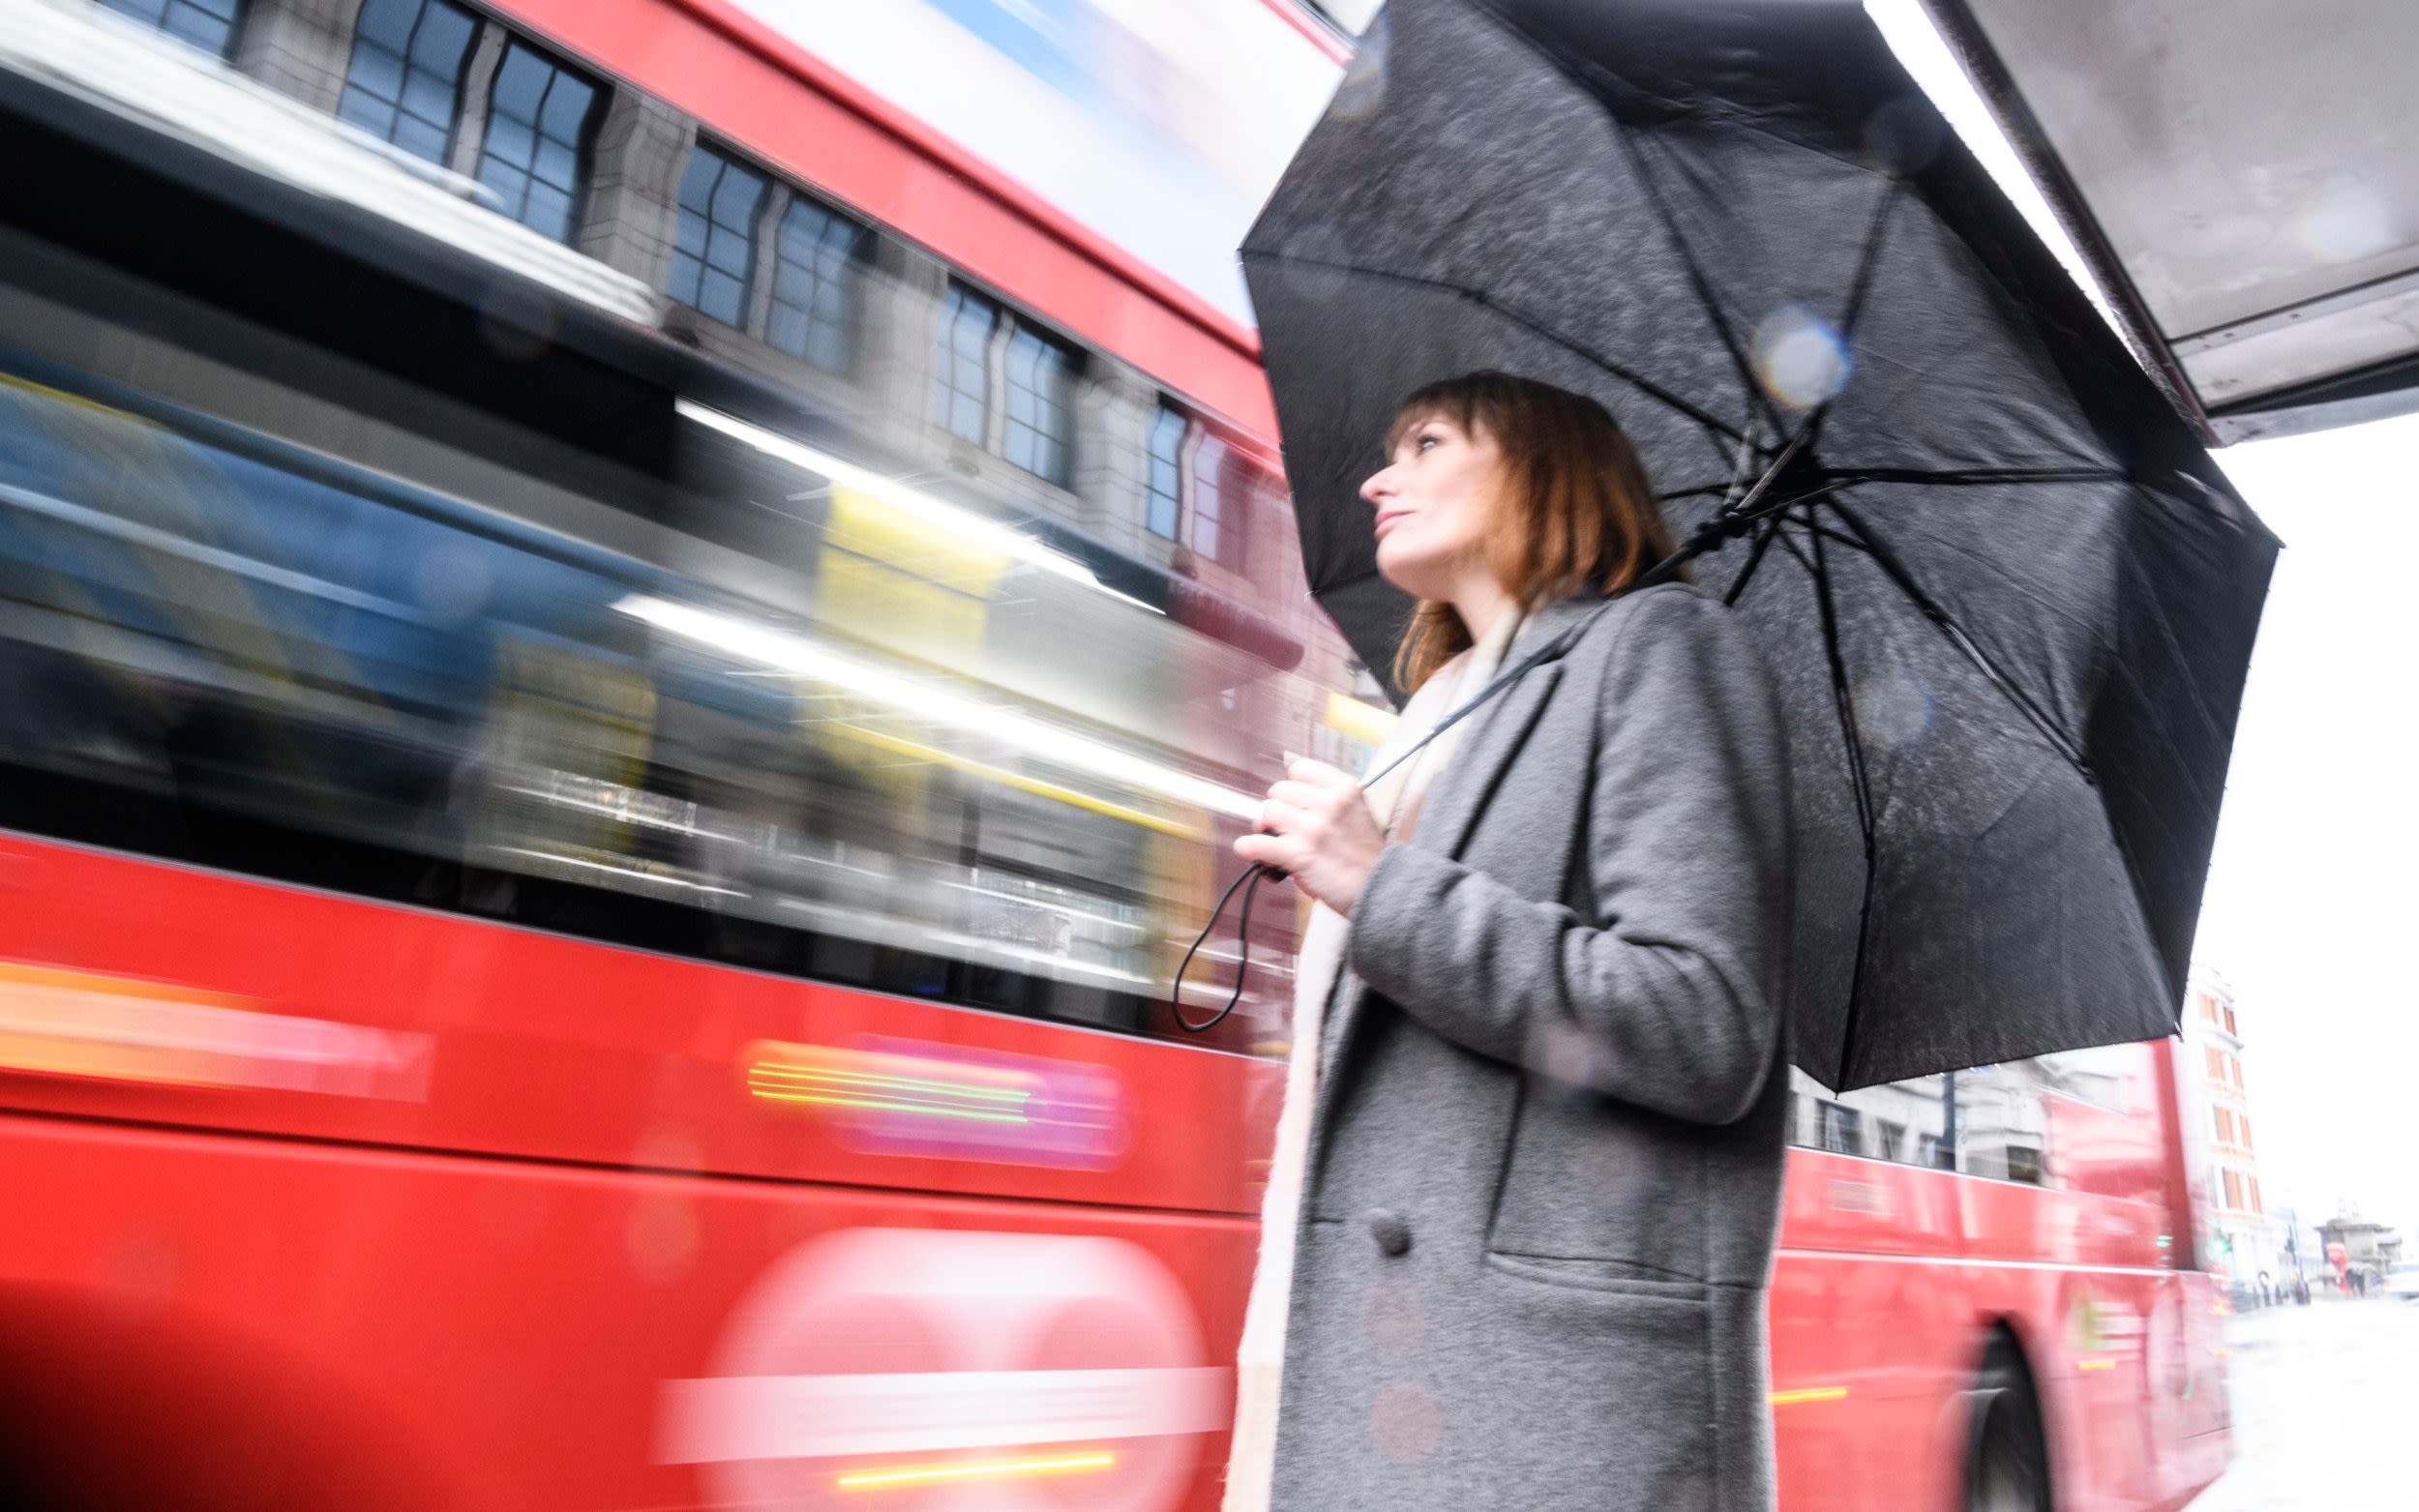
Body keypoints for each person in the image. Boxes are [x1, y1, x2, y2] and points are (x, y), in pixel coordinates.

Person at [1224, 372, 1794, 1512]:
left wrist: (1377, 885)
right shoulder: (1436, 716)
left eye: (1427, 441)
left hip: (1540, 1392)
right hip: (1384, 1354)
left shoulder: (1659, 648)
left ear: (1543, 464)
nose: (1381, 478)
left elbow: (1704, 1019)